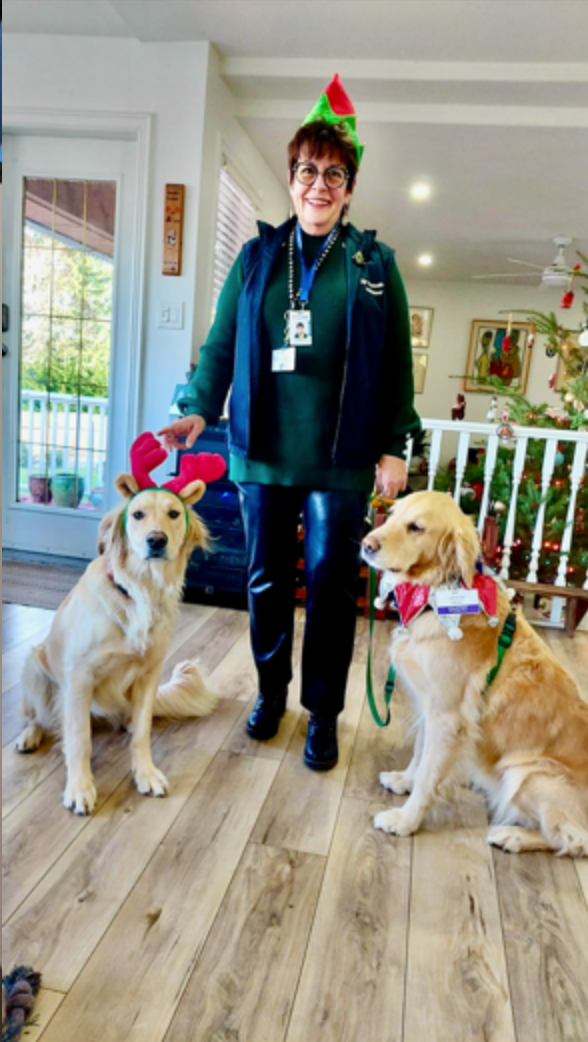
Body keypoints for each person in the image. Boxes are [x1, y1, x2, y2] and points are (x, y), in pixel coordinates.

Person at [158, 73, 421, 772]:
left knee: (332, 579)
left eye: (335, 173)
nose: (320, 184)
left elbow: (397, 366)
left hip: (339, 456)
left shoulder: (373, 266)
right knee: (267, 577)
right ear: (292, 173)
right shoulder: (256, 259)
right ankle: (272, 693)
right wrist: (194, 408)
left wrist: (396, 446)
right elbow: (220, 346)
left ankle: (324, 713)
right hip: (265, 451)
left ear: (349, 184)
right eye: (309, 169)